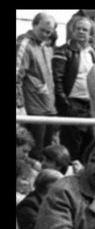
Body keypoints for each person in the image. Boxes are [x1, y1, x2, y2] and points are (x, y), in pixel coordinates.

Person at [52, 16, 95, 162]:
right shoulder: (63, 51)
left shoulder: (92, 53)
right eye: (78, 28)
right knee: (72, 149)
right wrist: (64, 102)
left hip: (89, 105)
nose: (81, 32)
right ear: (72, 31)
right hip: (72, 104)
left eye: (85, 29)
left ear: (90, 34)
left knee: (88, 147)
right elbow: (56, 79)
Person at [17, 13, 58, 159]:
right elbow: (17, 75)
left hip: (48, 107)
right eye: (43, 30)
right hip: (33, 109)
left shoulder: (46, 46)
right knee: (35, 154)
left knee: (48, 153)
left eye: (49, 32)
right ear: (34, 25)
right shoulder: (24, 44)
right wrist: (19, 105)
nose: (46, 34)